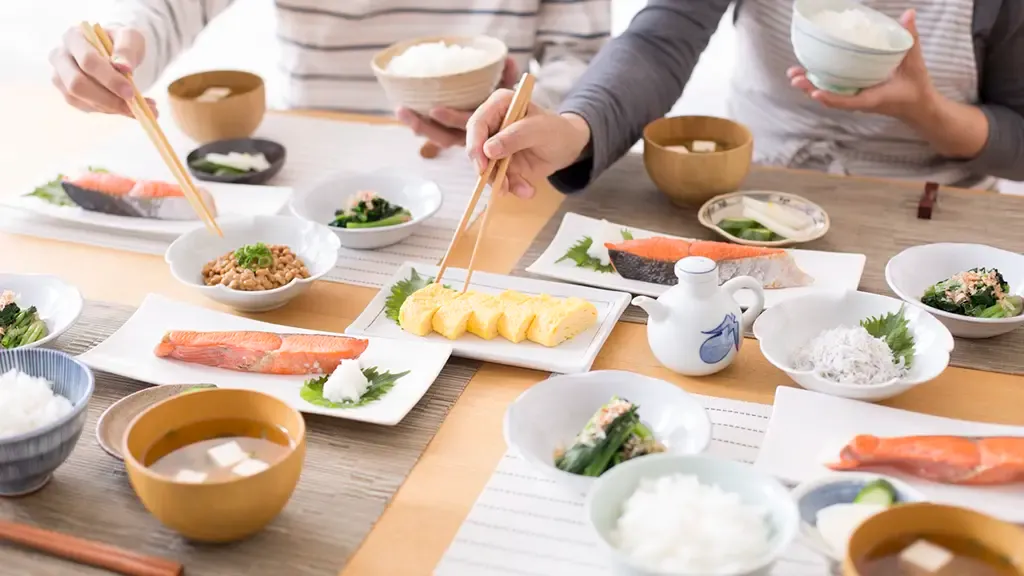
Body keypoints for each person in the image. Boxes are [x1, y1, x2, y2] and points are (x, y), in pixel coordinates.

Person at [466, 0, 1024, 198]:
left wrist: (925, 111)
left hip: (929, 207)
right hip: (754, 191)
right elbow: (659, 42)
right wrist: (575, 127)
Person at [49, 1, 610, 149]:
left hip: (499, 166)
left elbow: (581, 56)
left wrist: (535, 119)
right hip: (311, 158)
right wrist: (117, 46)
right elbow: (169, 9)